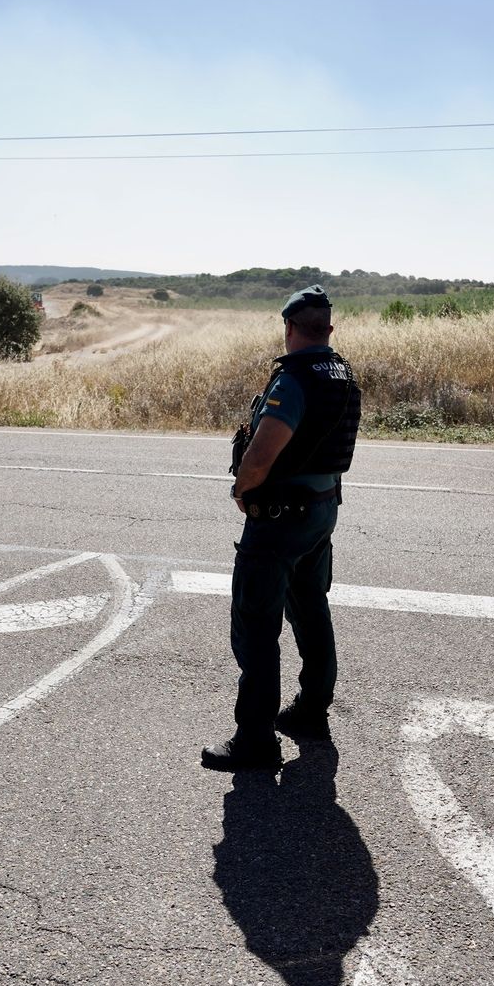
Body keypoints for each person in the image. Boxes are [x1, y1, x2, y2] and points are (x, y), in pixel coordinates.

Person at [202, 284, 362, 772]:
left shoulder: (293, 380)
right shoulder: (343, 375)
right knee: (311, 610)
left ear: (289, 328)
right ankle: (311, 712)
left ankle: (255, 740)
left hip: (279, 519)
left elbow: (264, 449)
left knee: (256, 625)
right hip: (322, 511)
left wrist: (242, 489)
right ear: (328, 330)